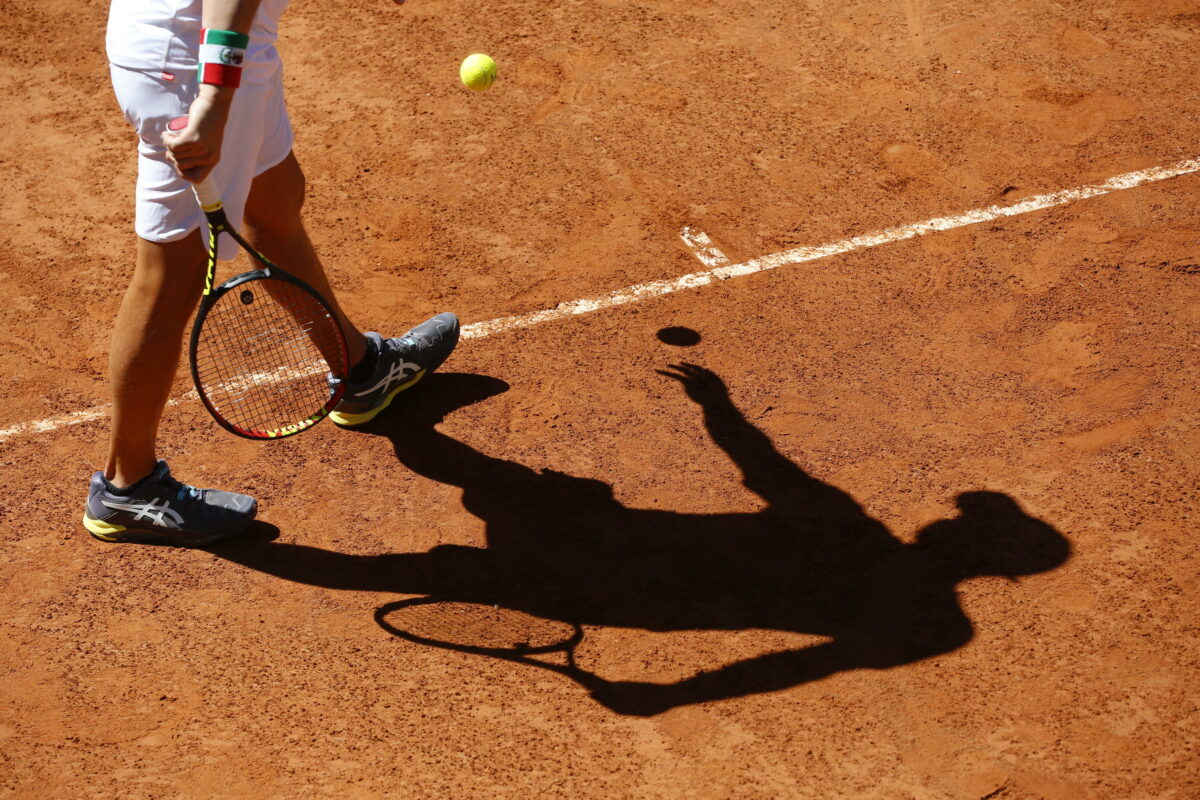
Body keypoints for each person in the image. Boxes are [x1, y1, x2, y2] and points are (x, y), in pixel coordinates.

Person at [83, 0, 459, 547]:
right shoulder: (208, 73)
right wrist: (213, 98)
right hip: (198, 62)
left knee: (274, 201)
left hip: (226, 48)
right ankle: (128, 486)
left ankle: (361, 370)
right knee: (173, 272)